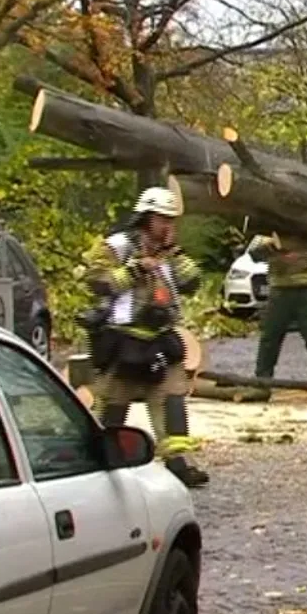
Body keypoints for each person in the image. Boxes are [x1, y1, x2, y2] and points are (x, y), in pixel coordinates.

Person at [84, 187, 209, 487]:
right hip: (123, 339)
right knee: (113, 405)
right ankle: (100, 463)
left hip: (160, 339)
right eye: (161, 219)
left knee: (172, 398)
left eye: (171, 220)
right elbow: (96, 280)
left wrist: (173, 255)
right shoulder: (118, 246)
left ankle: (177, 463)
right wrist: (134, 270)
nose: (167, 226)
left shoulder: (171, 252)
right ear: (146, 218)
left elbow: (192, 283)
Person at [248, 233, 307, 394]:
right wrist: (269, 244)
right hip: (280, 289)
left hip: (306, 287)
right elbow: (253, 253)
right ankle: (263, 381)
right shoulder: (268, 231)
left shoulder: (301, 226)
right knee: (270, 337)